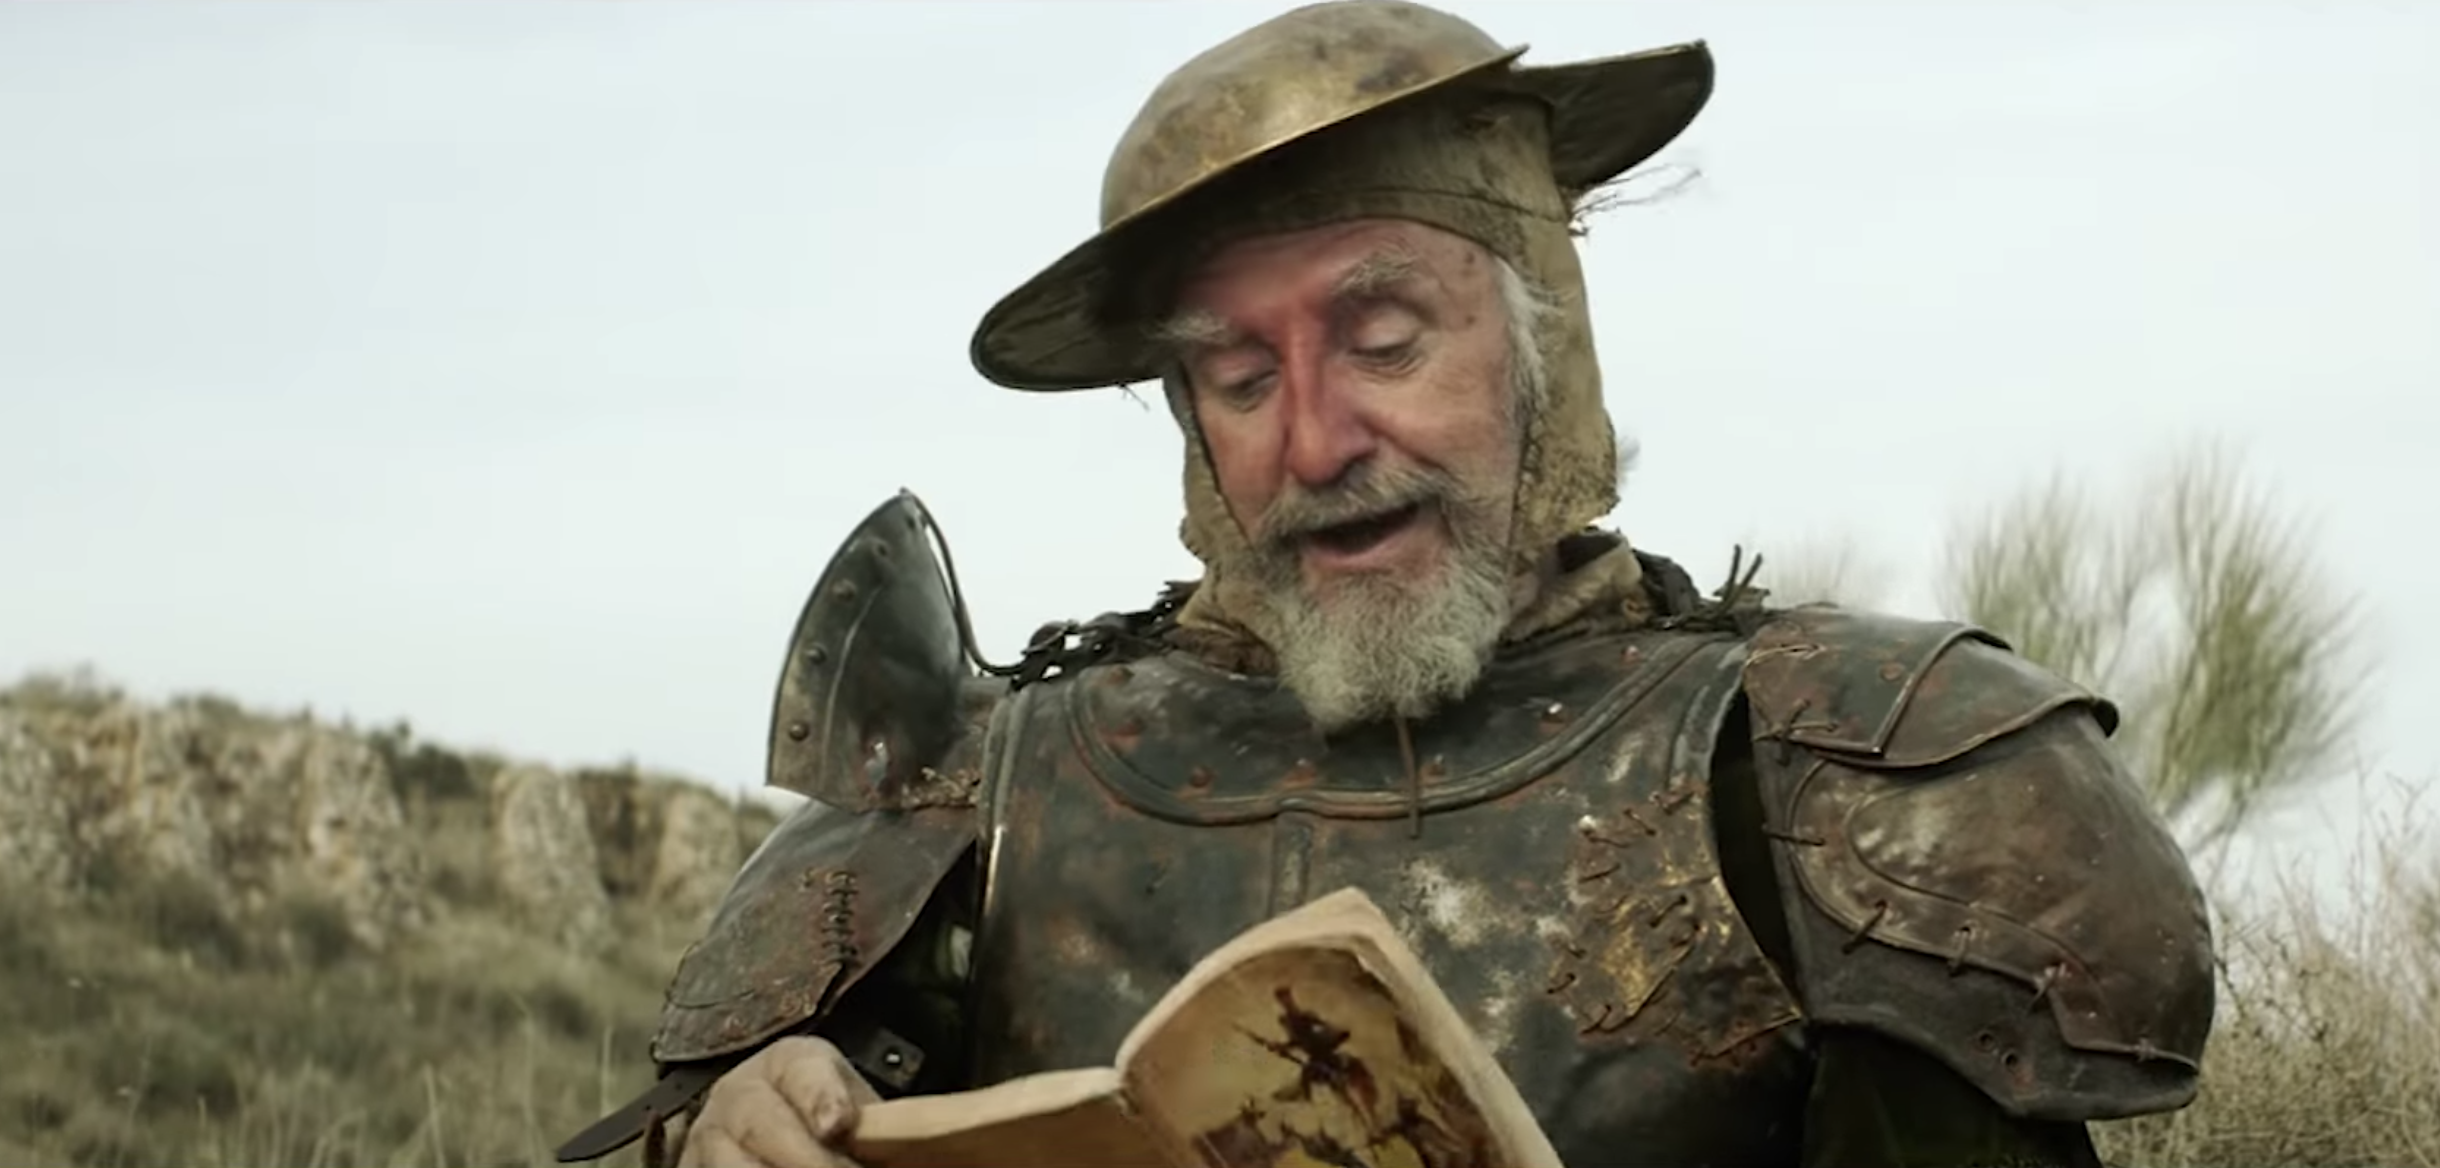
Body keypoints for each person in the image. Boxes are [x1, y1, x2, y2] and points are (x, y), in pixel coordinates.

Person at [557, 3, 2217, 1166]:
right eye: (1240, 377)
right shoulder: (989, 784)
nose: (1317, 439)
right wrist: (752, 1112)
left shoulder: (1829, 764)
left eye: (1386, 338)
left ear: (1542, 339)